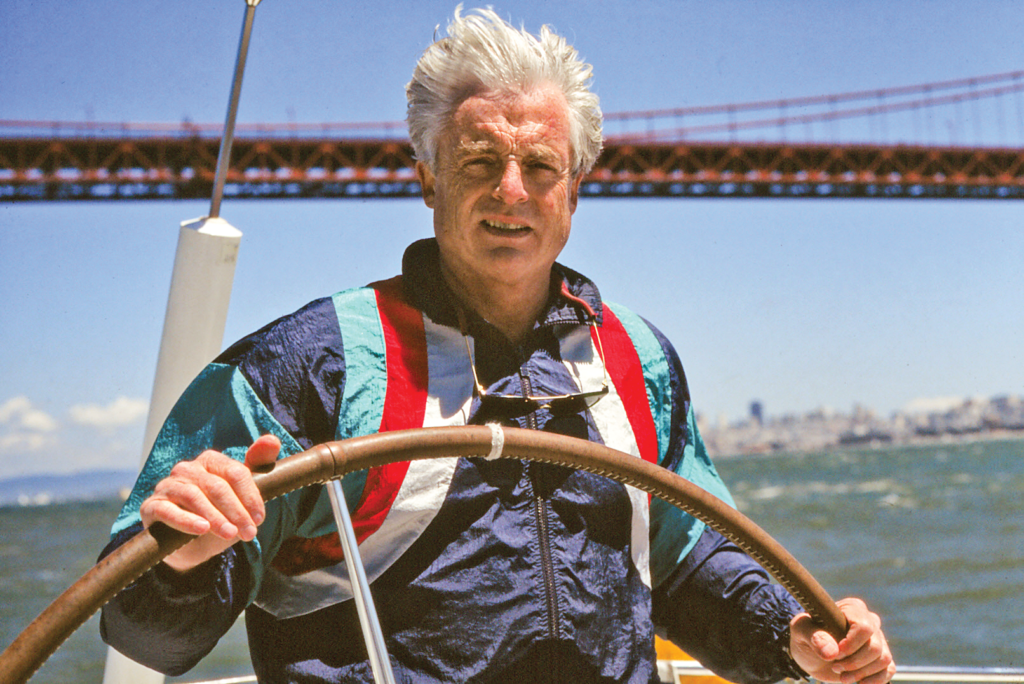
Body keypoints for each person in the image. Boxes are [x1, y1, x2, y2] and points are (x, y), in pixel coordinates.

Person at [100, 8, 895, 684]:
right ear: (427, 179)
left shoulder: (638, 360)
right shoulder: (311, 365)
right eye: (479, 161)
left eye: (540, 166)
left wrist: (792, 636)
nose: (511, 191)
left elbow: (687, 564)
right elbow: (145, 639)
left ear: (575, 188)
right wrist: (181, 560)